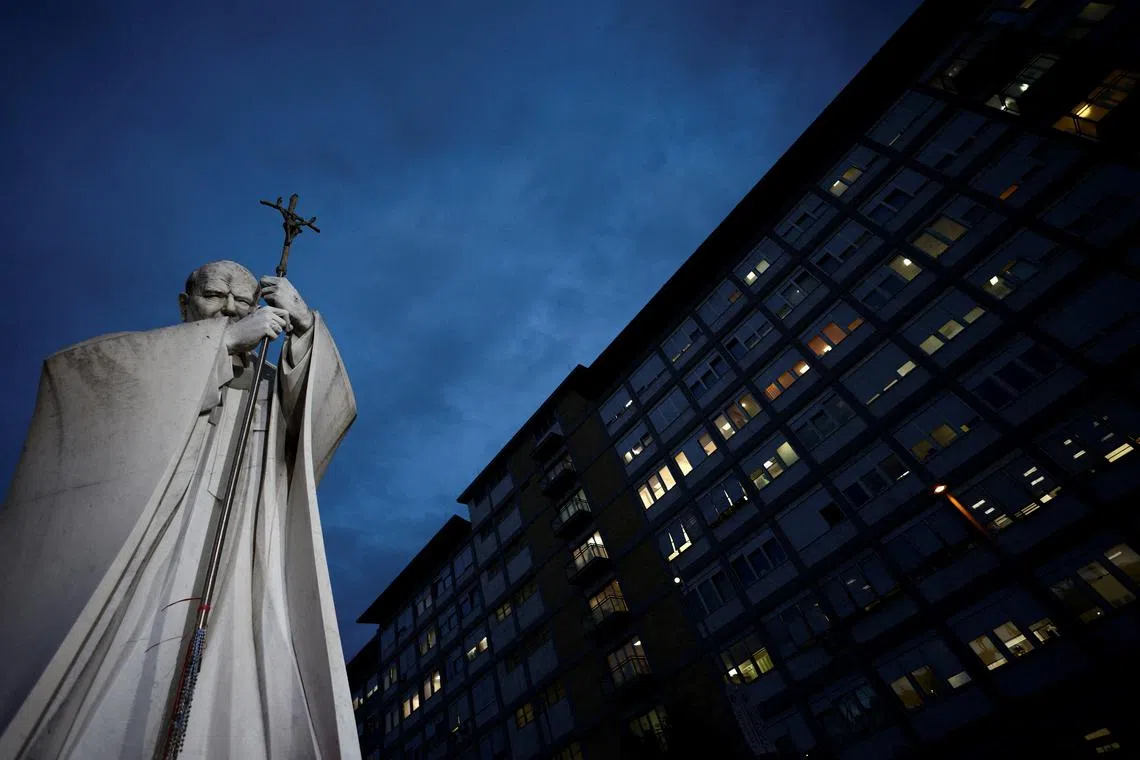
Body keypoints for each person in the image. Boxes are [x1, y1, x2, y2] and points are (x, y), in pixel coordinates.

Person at [0, 260, 360, 759]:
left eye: (243, 301)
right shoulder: (147, 362)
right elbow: (74, 376)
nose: (231, 309)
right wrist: (225, 344)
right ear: (185, 303)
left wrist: (305, 328)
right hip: (153, 546)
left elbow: (327, 417)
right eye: (216, 296)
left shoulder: (270, 386)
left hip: (241, 551)